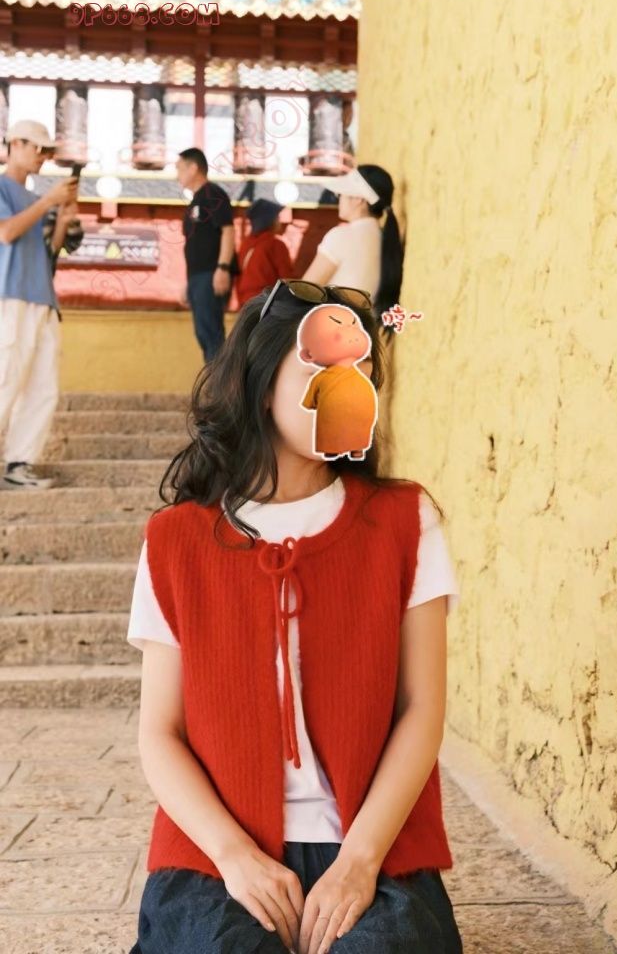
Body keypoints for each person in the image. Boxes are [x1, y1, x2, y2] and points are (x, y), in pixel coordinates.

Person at [126, 278, 463, 954]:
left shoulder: (405, 521)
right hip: (216, 852)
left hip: (374, 848)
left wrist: (359, 863)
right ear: (260, 384)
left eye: (359, 371)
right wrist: (233, 856)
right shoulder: (174, 540)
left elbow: (422, 708)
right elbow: (159, 732)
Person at [0, 120, 78, 490]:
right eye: (36, 147)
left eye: (46, 150)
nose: (42, 156)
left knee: (42, 386)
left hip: (43, 297)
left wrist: (62, 217)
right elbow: (6, 232)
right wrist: (49, 201)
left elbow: (51, 250)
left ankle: (20, 464)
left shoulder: (37, 200)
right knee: (5, 378)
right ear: (14, 144)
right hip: (9, 296)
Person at [303, 165, 403, 325]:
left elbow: (304, 293)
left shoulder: (341, 236)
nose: (339, 198)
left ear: (358, 199)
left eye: (341, 193)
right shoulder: (386, 241)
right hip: (363, 335)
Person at [176, 147, 235, 363]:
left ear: (193, 168)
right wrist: (188, 282)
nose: (177, 175)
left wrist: (223, 268)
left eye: (180, 169)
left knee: (212, 335)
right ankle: (213, 379)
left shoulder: (213, 195)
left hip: (211, 275)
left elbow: (228, 230)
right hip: (197, 277)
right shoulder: (195, 201)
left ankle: (220, 382)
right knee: (203, 334)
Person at [236, 199, 293, 311]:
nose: (279, 221)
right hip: (269, 303)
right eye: (277, 217)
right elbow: (286, 279)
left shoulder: (245, 244)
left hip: (245, 303)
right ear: (269, 221)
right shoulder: (275, 244)